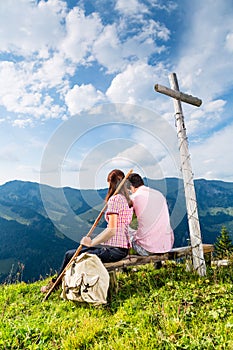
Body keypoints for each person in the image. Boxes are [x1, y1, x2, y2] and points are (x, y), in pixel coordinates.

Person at [41, 169, 133, 293]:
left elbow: (111, 231)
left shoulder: (115, 200)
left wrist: (92, 243)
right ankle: (60, 282)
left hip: (114, 250)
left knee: (70, 255)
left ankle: (55, 285)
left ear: (110, 183)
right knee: (76, 253)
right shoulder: (126, 200)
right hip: (121, 248)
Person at [128, 173, 174, 256]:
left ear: (131, 187)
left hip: (147, 249)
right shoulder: (159, 194)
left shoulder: (134, 197)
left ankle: (124, 265)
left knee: (127, 231)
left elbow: (125, 219)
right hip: (167, 245)